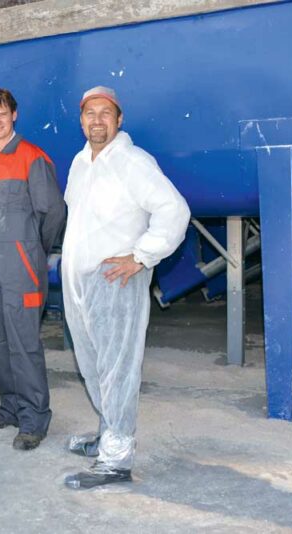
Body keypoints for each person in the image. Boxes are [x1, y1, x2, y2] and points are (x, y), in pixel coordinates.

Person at [61, 86, 190, 489]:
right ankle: (108, 433)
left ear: (119, 120)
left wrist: (141, 256)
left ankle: (116, 460)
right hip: (80, 283)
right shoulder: (81, 163)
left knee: (118, 367)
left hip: (116, 281)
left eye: (105, 113)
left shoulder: (132, 162)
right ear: (81, 120)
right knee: (93, 363)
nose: (97, 120)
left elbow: (174, 210)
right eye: (90, 113)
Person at [0, 88, 66, 451]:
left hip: (22, 268)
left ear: (14, 115)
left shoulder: (32, 157)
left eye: (2, 114)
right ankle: (10, 406)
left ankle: (34, 419)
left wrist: (34, 250)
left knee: (24, 345)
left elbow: (54, 211)